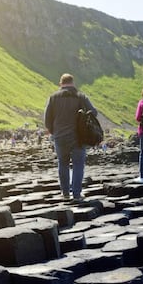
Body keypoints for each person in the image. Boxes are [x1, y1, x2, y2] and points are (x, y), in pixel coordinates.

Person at [44, 73, 97, 201]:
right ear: (73, 83)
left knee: (63, 164)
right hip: (78, 137)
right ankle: (77, 194)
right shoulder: (81, 96)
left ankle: (65, 193)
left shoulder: (53, 97)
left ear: (60, 83)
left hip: (60, 136)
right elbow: (93, 112)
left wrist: (53, 131)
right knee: (78, 165)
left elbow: (47, 119)